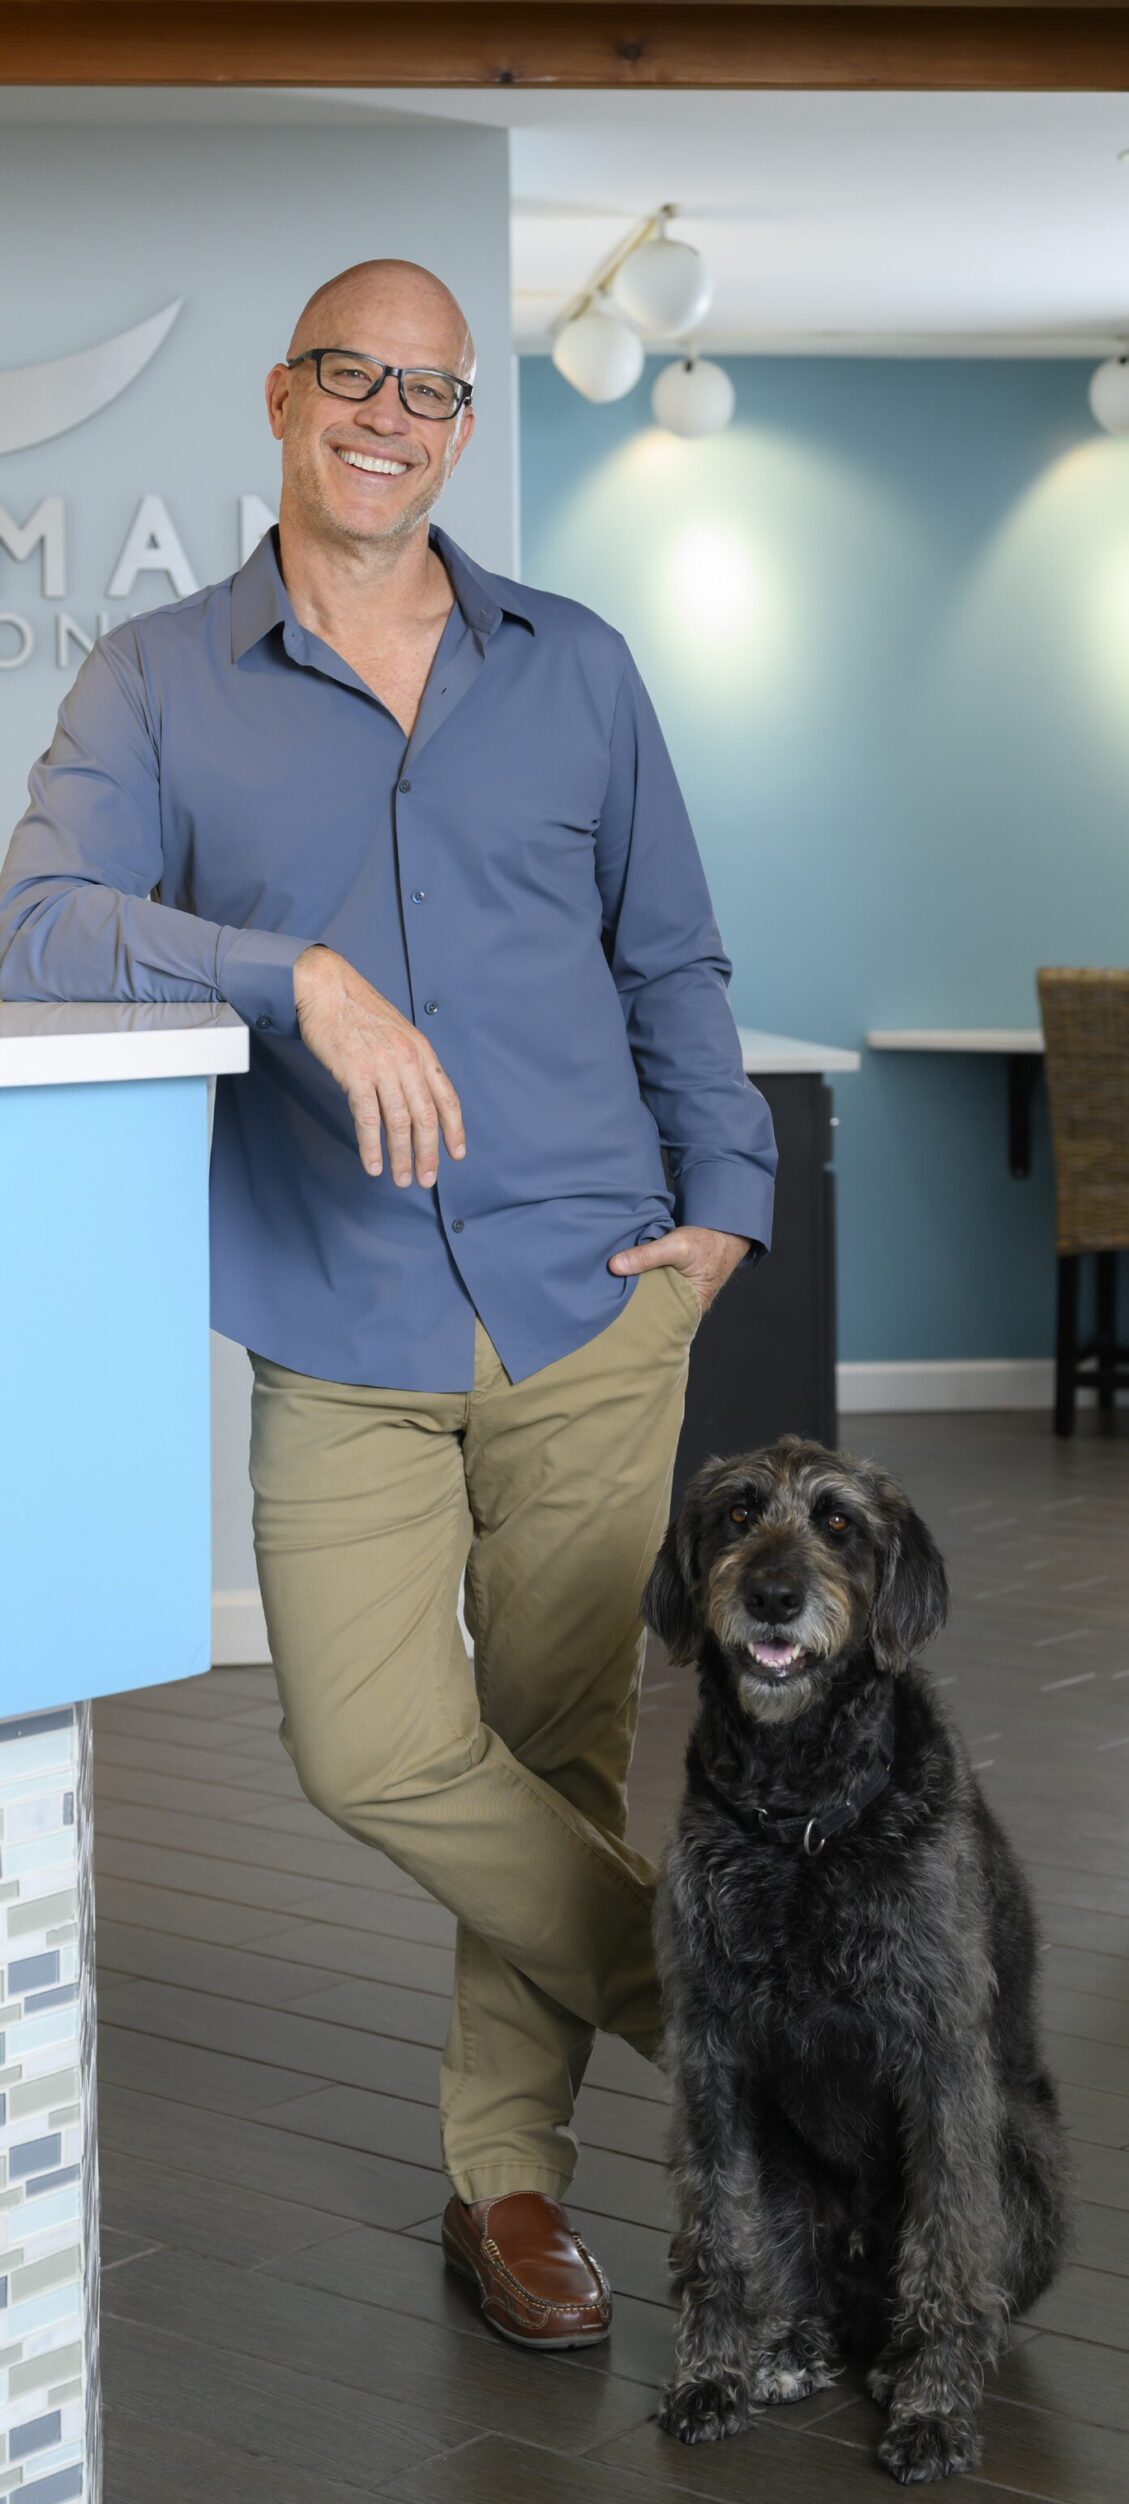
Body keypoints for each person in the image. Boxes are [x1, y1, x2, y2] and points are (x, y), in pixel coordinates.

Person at [0, 258, 776, 2350]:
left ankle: (507, 2185)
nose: (391, 416)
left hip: (595, 1294)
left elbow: (673, 959)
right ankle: (770, 2028)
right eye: (353, 376)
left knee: (555, 1744)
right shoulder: (155, 676)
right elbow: (41, 920)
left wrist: (727, 1204)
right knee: (368, 1743)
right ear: (284, 396)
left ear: (458, 425)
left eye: (431, 390)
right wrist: (294, 976)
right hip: (336, 1307)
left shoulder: (578, 668)